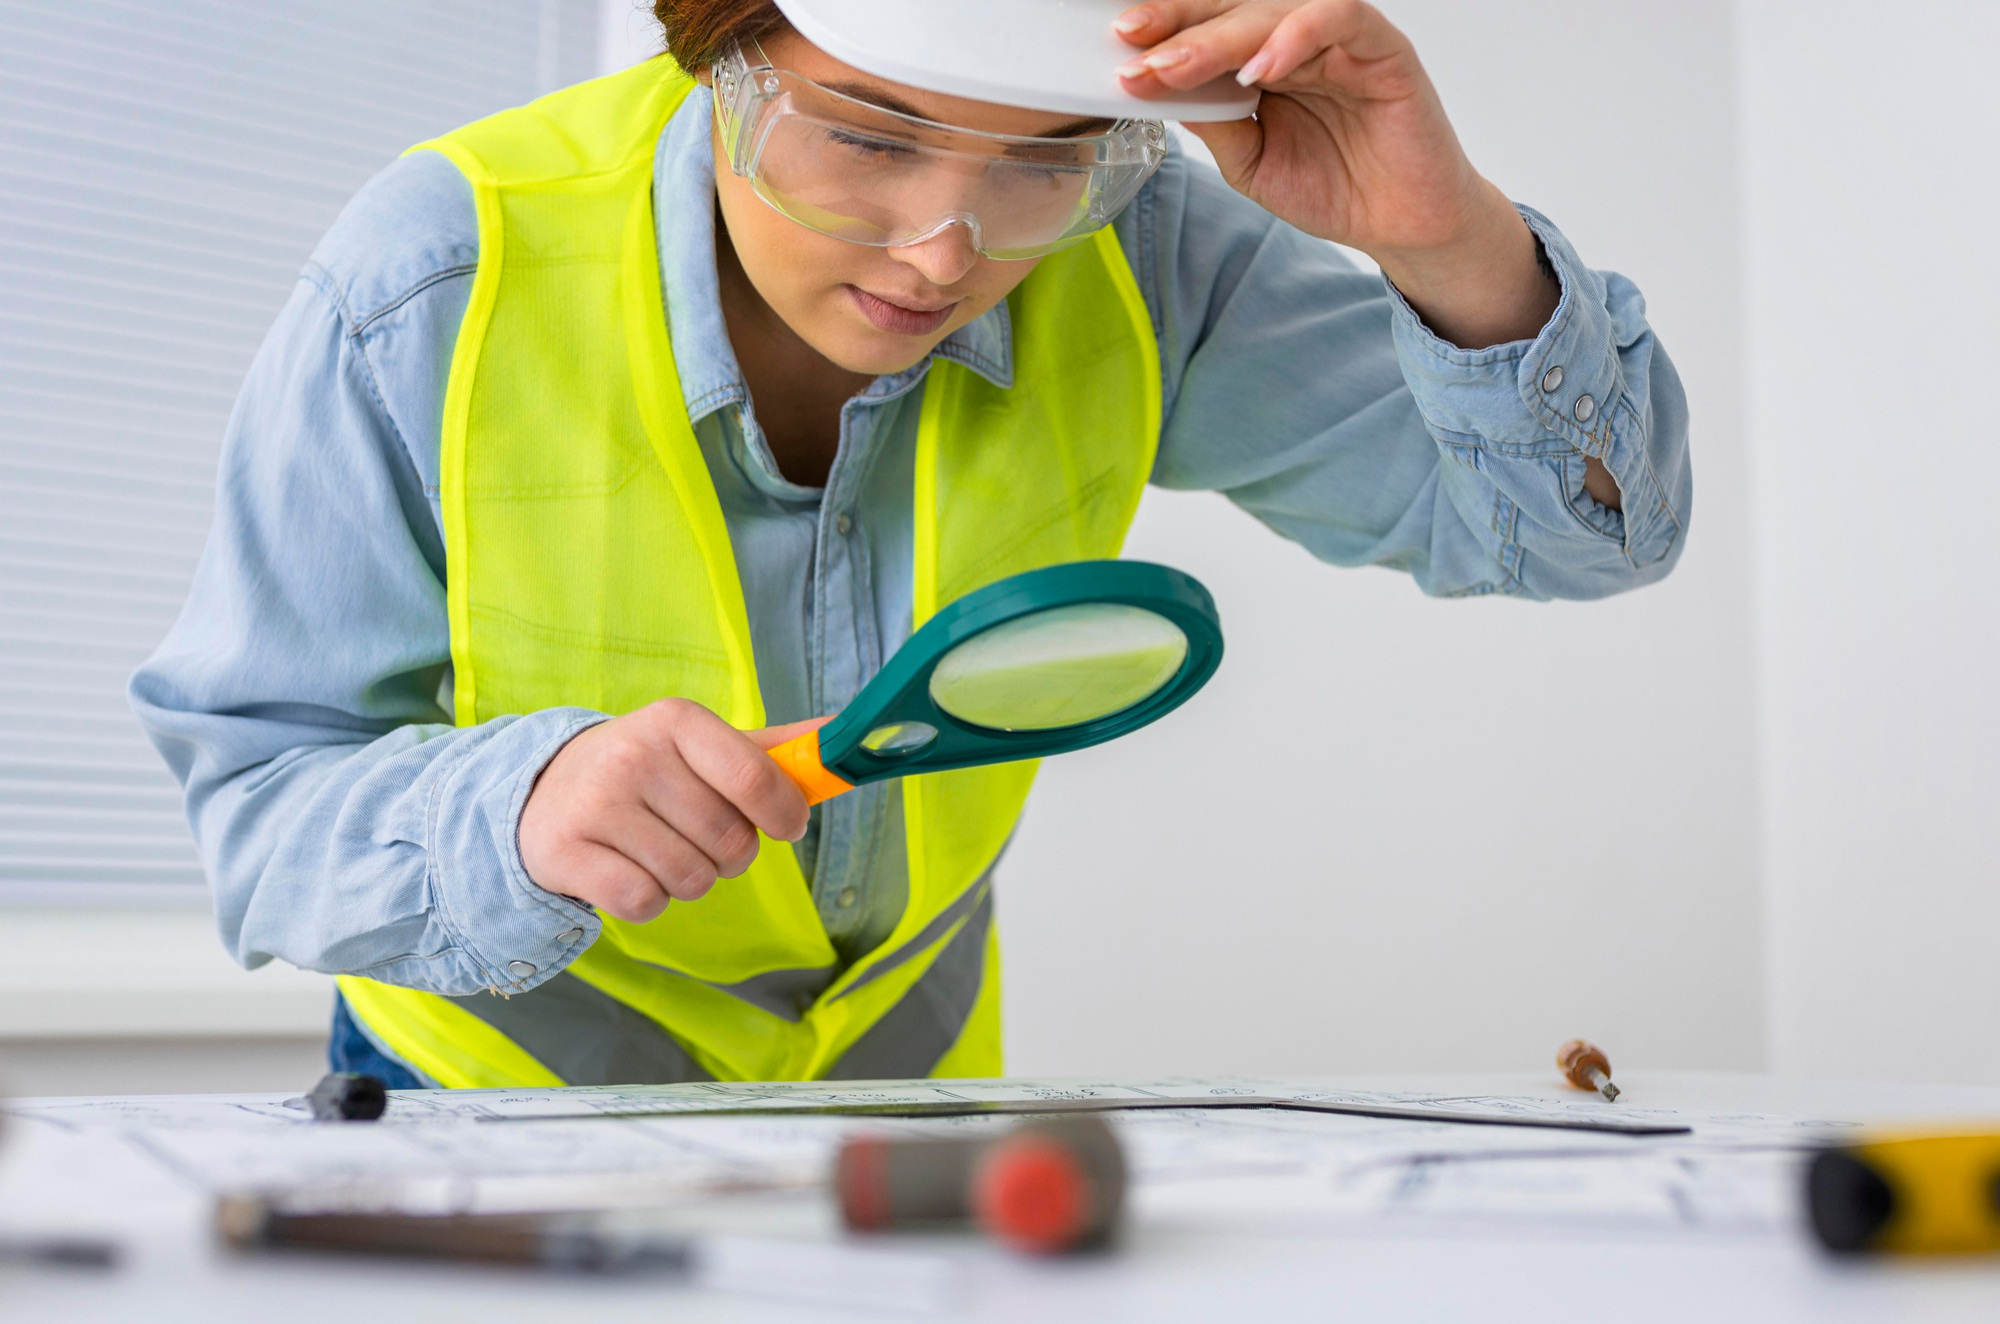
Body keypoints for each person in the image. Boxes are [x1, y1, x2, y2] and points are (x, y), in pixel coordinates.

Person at [131, 0, 1690, 1088]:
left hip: (911, 1075)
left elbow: (1581, 543)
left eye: (1036, 158)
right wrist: (517, 813)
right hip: (493, 1091)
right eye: (869, 140)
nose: (948, 248)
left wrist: (1441, 232)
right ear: (716, 53)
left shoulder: (1135, 238)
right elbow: (259, 817)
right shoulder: (428, 282)